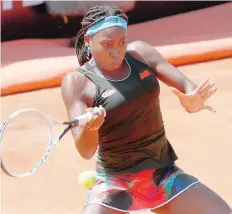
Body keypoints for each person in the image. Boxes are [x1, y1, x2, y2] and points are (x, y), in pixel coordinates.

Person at [61, 4, 231, 214]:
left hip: (163, 176)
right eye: (107, 45)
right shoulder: (78, 82)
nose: (117, 52)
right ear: (88, 40)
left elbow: (187, 86)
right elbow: (85, 150)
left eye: (122, 42)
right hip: (115, 183)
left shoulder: (140, 54)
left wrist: (192, 101)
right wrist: (92, 128)